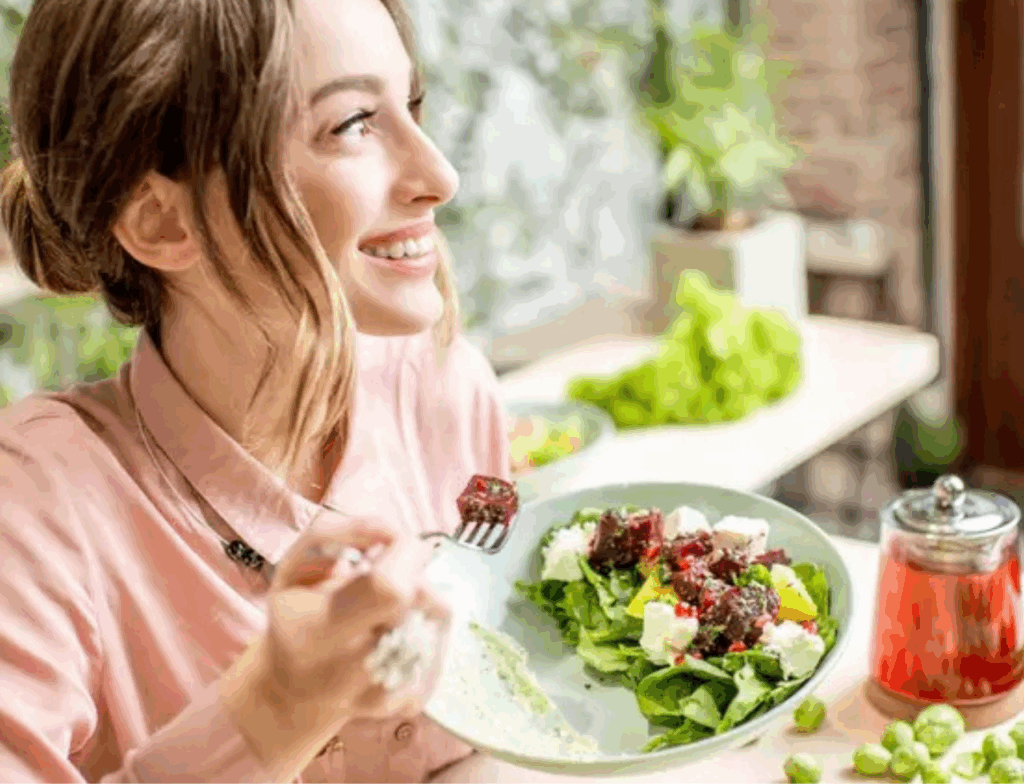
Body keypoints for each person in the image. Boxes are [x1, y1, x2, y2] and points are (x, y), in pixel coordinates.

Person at [0, 0, 510, 781]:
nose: (440, 176)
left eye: (409, 104)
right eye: (352, 124)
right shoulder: (34, 508)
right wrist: (275, 706)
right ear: (164, 222)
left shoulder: (446, 390)